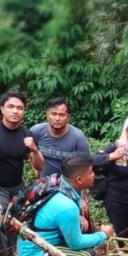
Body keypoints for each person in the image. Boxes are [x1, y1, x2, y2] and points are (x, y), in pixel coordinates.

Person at [17, 152, 114, 256]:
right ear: (79, 179)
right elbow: (76, 243)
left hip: (36, 243)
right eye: (90, 172)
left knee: (87, 244)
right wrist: (104, 235)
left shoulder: (59, 182)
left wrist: (78, 218)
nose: (94, 175)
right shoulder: (67, 206)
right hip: (35, 253)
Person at [0, 91, 45, 256]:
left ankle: (19, 255)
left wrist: (34, 149)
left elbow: (39, 166)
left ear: (24, 111)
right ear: (2, 109)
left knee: (18, 221)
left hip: (17, 185)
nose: (15, 111)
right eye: (11, 107)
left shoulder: (27, 135)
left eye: (19, 108)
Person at [30, 97, 92, 232]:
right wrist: (36, 169)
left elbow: (85, 170)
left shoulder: (78, 138)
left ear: (68, 117)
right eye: (54, 114)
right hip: (45, 187)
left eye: (61, 115)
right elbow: (31, 152)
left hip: (70, 189)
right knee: (43, 224)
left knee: (76, 226)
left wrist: (82, 199)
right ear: (47, 114)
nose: (57, 118)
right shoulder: (36, 132)